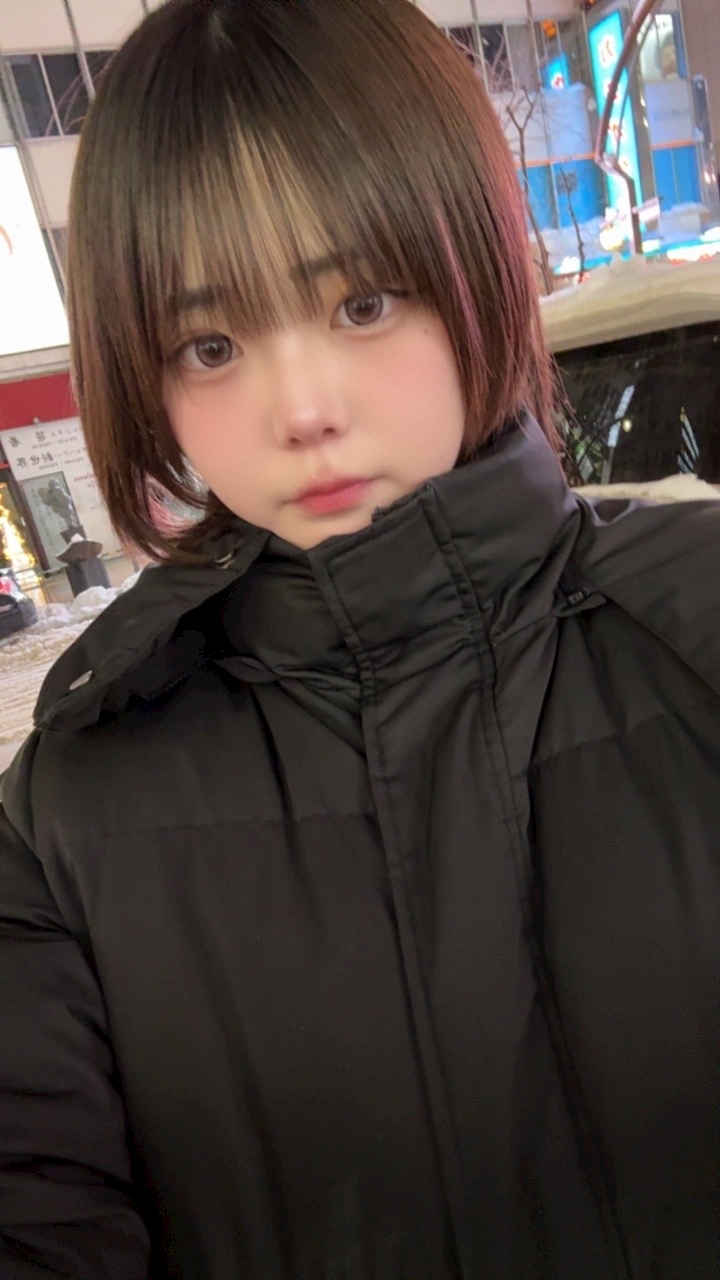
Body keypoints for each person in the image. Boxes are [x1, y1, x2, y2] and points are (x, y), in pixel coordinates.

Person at [0, 2, 717, 1277]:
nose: (302, 406)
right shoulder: (67, 811)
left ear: (479, 267)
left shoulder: (696, 623)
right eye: (211, 344)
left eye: (364, 302)